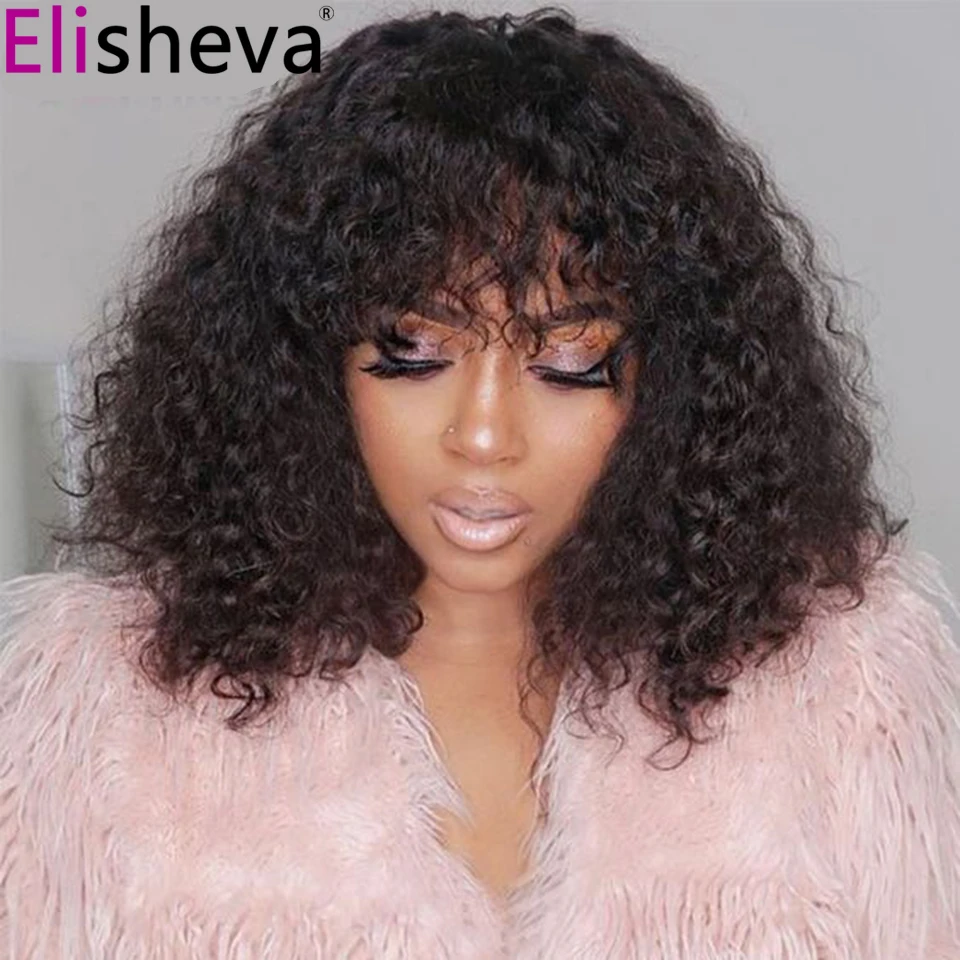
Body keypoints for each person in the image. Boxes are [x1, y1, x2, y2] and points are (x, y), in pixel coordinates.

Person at [1, 6, 958, 958]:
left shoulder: (847, 691)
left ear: (674, 379)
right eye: (413, 353)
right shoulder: (101, 714)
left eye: (570, 363)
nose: (486, 436)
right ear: (299, 363)